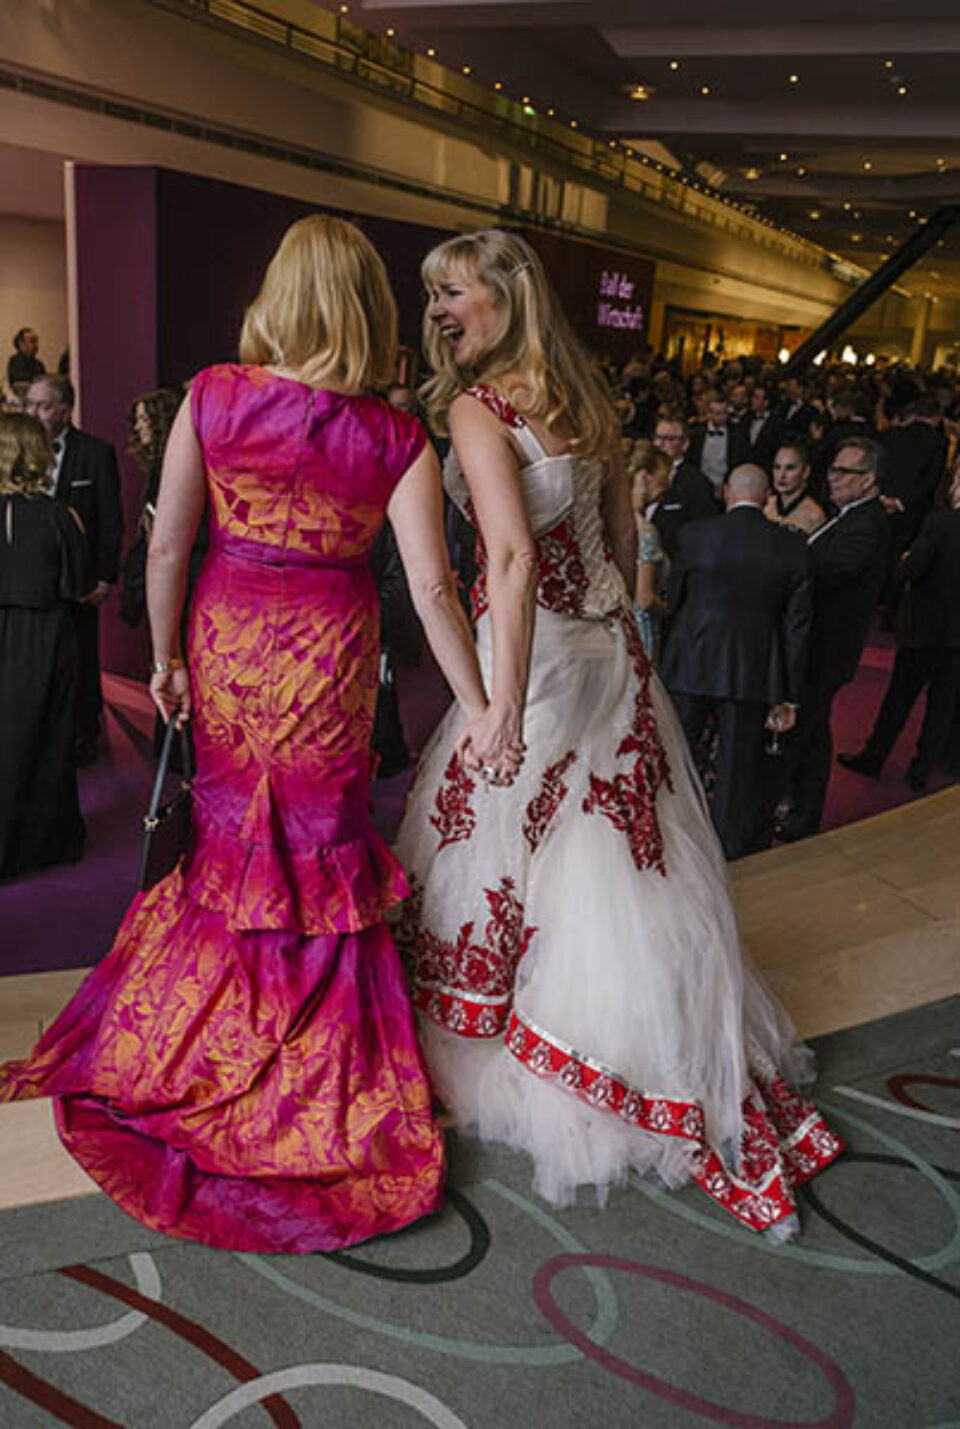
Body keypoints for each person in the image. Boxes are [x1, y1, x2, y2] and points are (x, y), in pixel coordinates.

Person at [0, 215, 500, 1254]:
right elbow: (429, 588)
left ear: (278, 293)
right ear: (367, 306)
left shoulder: (215, 395)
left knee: (232, 843)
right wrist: (485, 702)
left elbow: (169, 541)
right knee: (317, 854)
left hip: (229, 644)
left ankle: (210, 1043)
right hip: (328, 659)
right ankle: (309, 1070)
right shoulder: (397, 433)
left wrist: (168, 661)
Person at [394, 229, 842, 1239]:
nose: (438, 313)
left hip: (541, 659)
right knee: (618, 855)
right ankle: (646, 1041)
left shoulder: (479, 407)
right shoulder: (586, 396)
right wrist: (622, 640)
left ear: (507, 297)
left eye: (452, 292)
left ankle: (537, 1054)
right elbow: (623, 544)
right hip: (610, 654)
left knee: (515, 853)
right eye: (433, 298)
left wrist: (498, 707)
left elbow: (508, 561)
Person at [661, 465, 811, 859]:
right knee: (736, 768)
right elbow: (796, 629)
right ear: (766, 498)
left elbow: (673, 601)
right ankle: (723, 852)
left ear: (727, 492)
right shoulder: (792, 546)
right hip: (752, 669)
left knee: (675, 754)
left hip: (690, 660)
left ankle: (664, 836)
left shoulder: (694, 534)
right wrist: (788, 695)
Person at [776, 437, 890, 842]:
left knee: (802, 734)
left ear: (869, 480)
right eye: (833, 469)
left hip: (826, 650)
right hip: (821, 646)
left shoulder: (868, 524)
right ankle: (801, 813)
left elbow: (830, 572)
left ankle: (792, 813)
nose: (834, 477)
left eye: (845, 472)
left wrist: (779, 550)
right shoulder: (848, 516)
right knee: (813, 735)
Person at [0, 413, 90, 879]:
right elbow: (79, 586)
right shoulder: (60, 516)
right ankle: (44, 842)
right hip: (48, 639)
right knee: (50, 738)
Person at [838, 468, 960, 790]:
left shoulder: (940, 524)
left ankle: (874, 757)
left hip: (923, 628)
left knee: (899, 700)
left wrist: (905, 560)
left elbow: (910, 569)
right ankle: (921, 771)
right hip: (956, 637)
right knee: (942, 706)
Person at [24, 375, 123, 764]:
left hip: (81, 579)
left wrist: (104, 577)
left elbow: (110, 521)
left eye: (42, 405)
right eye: (28, 404)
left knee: (81, 656)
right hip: (35, 580)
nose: (32, 413)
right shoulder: (19, 453)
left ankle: (84, 733)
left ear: (65, 410)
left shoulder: (95, 453)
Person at [626, 439, 671, 661]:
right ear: (644, 477)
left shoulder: (607, 520)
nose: (666, 487)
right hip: (641, 632)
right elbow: (644, 599)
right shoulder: (646, 531)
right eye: (662, 480)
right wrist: (669, 610)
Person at [650, 414, 719, 559]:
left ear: (685, 444)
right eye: (658, 438)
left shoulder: (697, 483)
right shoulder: (640, 474)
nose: (661, 444)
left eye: (669, 439)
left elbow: (702, 535)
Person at [764, 440, 827, 537]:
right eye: (777, 467)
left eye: (790, 468)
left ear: (805, 471)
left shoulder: (815, 516)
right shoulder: (765, 505)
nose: (782, 475)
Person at [7, 327, 45, 392]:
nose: (36, 345)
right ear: (21, 344)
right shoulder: (15, 362)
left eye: (36, 341)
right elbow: (19, 384)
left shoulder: (39, 364)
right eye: (32, 341)